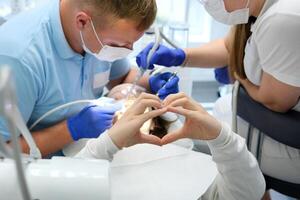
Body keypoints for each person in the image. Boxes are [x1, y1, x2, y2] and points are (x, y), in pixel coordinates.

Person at [137, 0, 300, 187]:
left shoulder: (284, 17)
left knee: (212, 155)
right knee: (220, 113)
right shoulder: (254, 10)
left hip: (291, 143)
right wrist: (180, 56)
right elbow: (228, 47)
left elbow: (276, 102)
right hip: (268, 127)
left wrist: (239, 77)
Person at [0, 0, 179, 157]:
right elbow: (3, 152)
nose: (127, 50)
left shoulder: (97, 33)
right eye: (118, 45)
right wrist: (71, 129)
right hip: (37, 177)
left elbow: (123, 78)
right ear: (82, 21)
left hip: (86, 158)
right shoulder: (19, 59)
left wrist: (152, 82)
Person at [75, 92, 266, 200]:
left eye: (138, 101)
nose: (128, 99)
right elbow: (63, 190)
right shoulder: (95, 157)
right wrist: (107, 142)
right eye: (117, 99)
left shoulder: (190, 167)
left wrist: (223, 139)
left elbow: (248, 194)